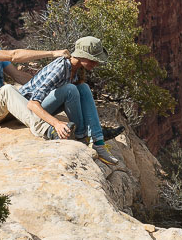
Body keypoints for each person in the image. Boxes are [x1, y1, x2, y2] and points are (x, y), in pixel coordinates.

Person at [0, 7, 74, 141]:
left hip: (2, 109)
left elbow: (17, 76)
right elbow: (14, 55)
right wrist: (53, 53)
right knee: (8, 90)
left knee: (63, 90)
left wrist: (45, 86)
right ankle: (46, 130)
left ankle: (86, 131)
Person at [18, 36, 122, 165]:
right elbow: (32, 104)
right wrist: (56, 124)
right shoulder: (60, 68)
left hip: (42, 107)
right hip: (26, 113)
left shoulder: (76, 69)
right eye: (93, 60)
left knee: (83, 88)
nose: (96, 64)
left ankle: (98, 142)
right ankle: (81, 136)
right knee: (70, 90)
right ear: (81, 56)